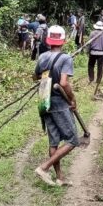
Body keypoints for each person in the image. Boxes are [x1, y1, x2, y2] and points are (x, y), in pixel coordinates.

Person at [33, 25, 78, 187]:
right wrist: (72, 99)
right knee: (73, 140)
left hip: (44, 101)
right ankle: (44, 168)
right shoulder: (66, 58)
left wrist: (46, 76)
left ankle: (60, 178)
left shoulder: (43, 56)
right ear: (63, 41)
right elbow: (64, 83)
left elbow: (35, 76)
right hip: (59, 103)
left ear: (48, 40)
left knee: (54, 142)